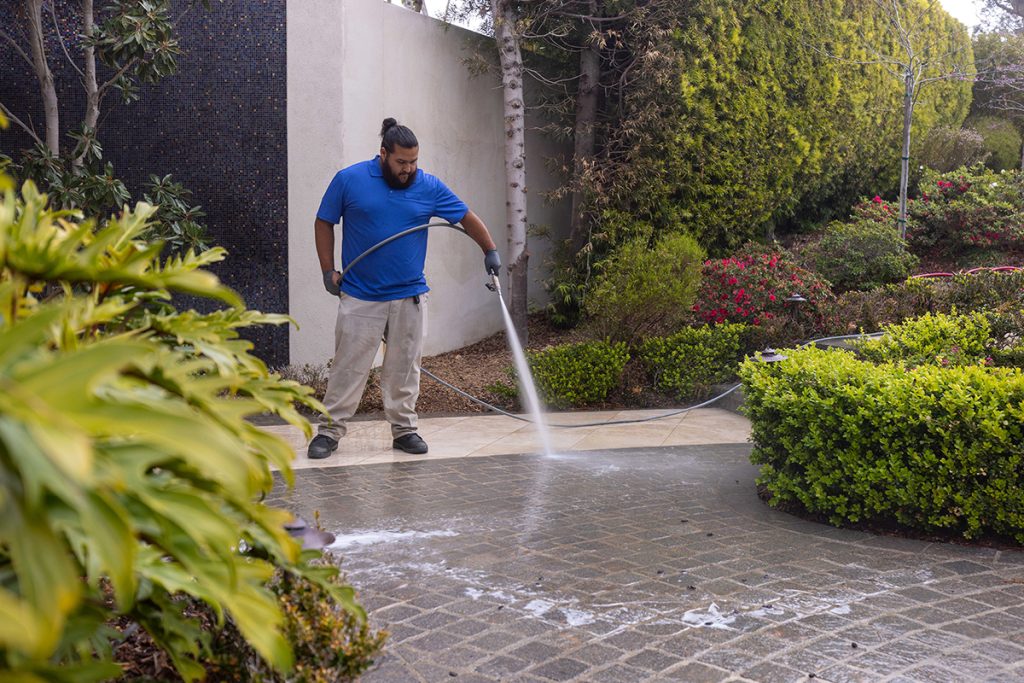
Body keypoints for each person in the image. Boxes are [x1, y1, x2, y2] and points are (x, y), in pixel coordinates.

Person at [307, 117, 501, 458]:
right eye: (401, 162)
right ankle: (329, 432)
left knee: (404, 368)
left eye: (413, 162)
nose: (408, 169)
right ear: (383, 154)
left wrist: (490, 251)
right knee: (348, 368)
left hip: (409, 295)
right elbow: (324, 221)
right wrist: (328, 272)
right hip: (360, 296)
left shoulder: (428, 186)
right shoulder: (350, 180)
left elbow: (466, 217)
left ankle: (404, 431)